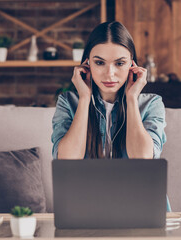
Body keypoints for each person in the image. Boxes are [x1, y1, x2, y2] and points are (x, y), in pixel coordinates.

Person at [51, 21, 171, 211]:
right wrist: (84, 98)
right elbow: (67, 163)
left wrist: (131, 98)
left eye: (120, 63)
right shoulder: (69, 102)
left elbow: (142, 160)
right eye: (99, 62)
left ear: (132, 65)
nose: (110, 73)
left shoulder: (151, 104)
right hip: (88, 209)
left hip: (141, 207)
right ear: (86, 64)